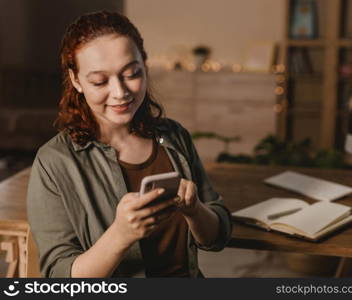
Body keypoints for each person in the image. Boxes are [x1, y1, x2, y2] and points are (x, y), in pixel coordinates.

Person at [26, 11, 232, 278]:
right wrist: (120, 235)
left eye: (131, 73)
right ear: (76, 80)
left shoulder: (174, 136)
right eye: (99, 81)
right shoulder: (54, 162)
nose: (120, 92)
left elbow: (218, 236)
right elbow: (60, 278)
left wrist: (195, 210)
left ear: (144, 67)